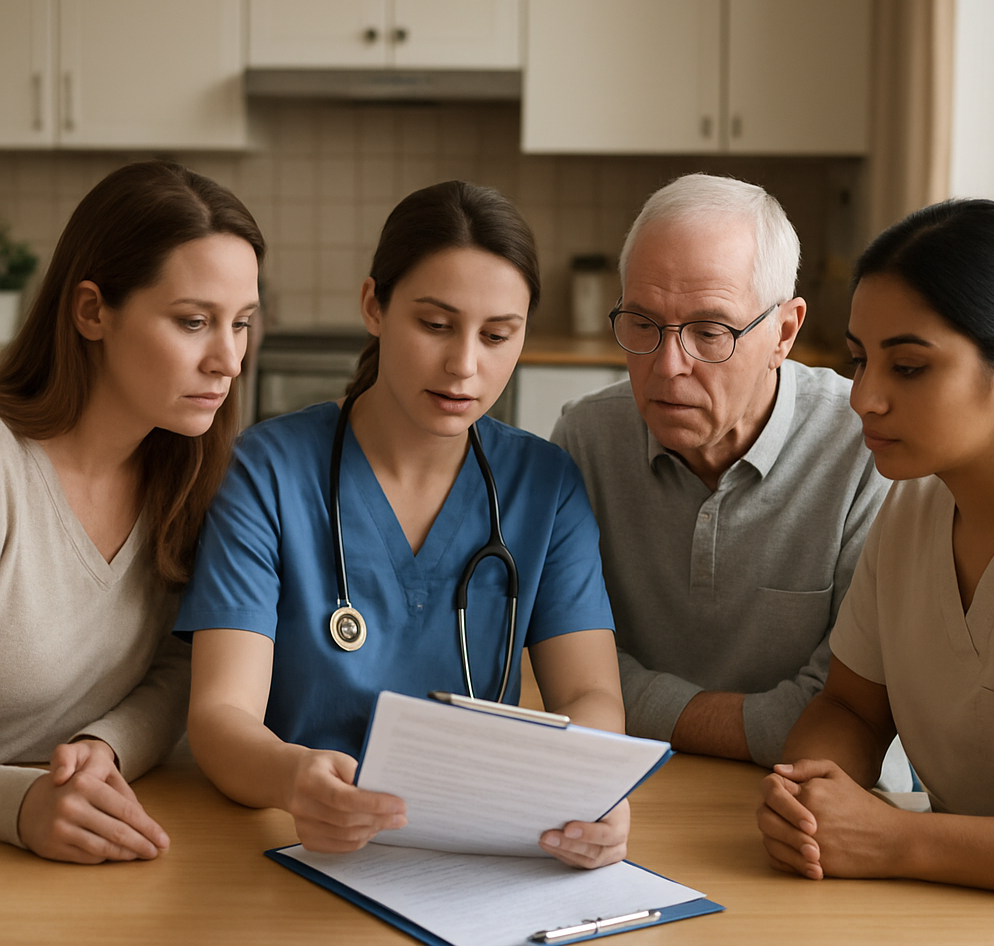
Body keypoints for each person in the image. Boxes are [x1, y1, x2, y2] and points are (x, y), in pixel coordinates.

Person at [177, 180, 628, 869]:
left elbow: (591, 693)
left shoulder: (545, 486)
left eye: (498, 334)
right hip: (291, 840)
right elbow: (218, 719)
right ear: (374, 307)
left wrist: (589, 788)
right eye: (436, 325)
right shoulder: (267, 471)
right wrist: (293, 781)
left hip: (475, 854)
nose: (464, 365)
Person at [552, 174, 890, 767]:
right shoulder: (585, 439)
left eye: (710, 332)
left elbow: (847, 712)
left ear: (784, 332)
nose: (668, 366)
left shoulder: (865, 450)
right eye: (642, 323)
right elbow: (560, 672)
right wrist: (753, 724)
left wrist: (639, 707)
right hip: (625, 786)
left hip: (806, 797)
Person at [758, 199, 994, 894]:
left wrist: (898, 841)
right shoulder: (909, 509)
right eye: (858, 360)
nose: (863, 398)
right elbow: (851, 707)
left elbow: (896, 841)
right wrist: (808, 796)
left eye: (906, 367)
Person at [0, 160, 263, 863]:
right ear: (92, 311)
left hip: (78, 844)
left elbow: (182, 664)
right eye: (194, 322)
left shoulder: (191, 471)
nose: (228, 360)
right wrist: (17, 803)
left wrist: (101, 748)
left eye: (241, 324)